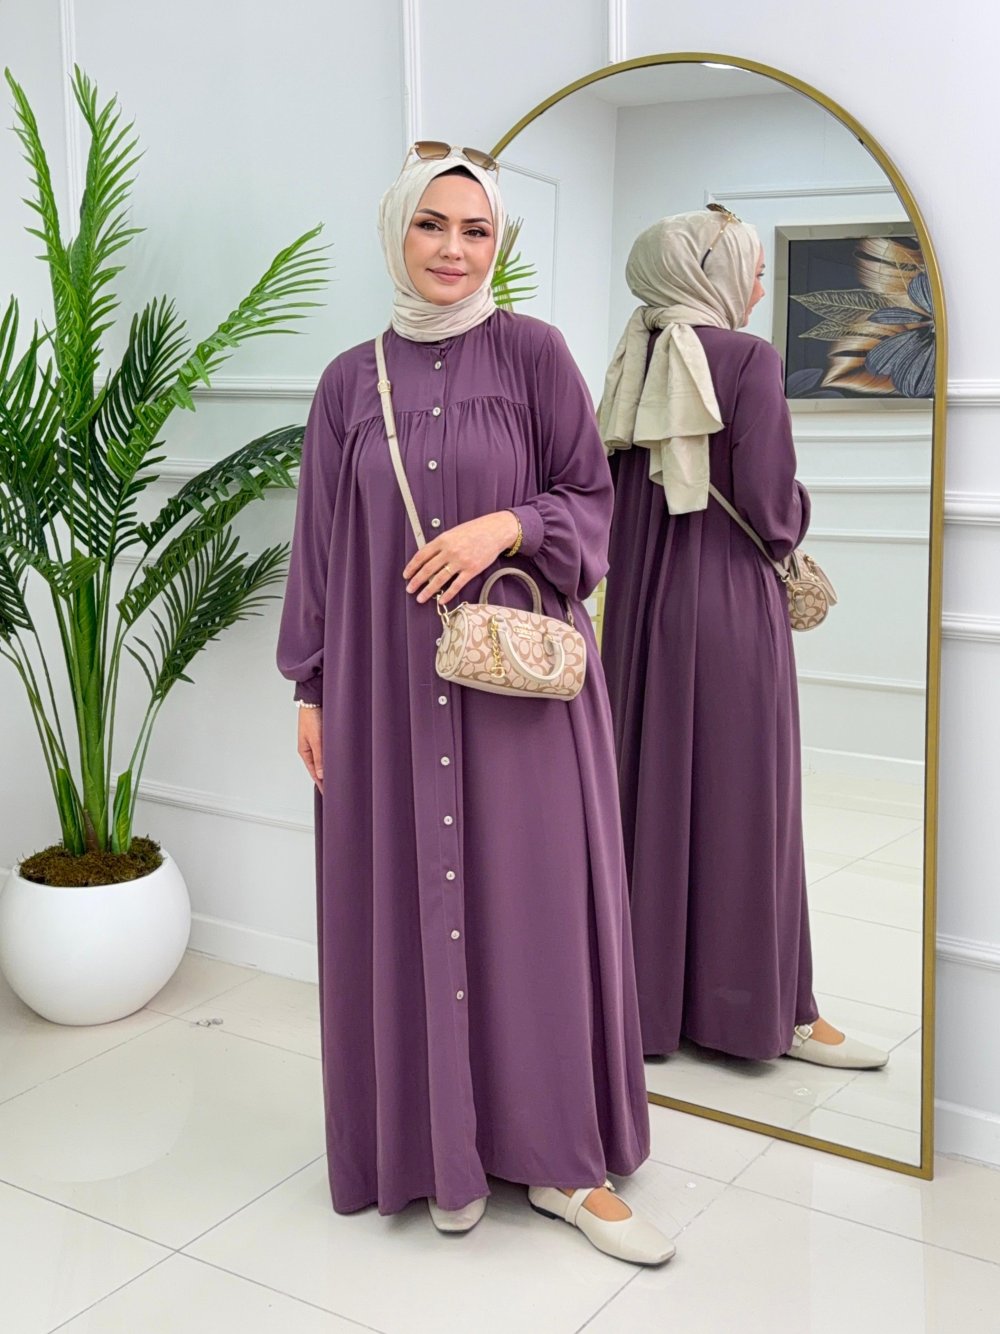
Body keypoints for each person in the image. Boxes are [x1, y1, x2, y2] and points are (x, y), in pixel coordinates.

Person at [276, 143, 672, 1266]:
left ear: (497, 242)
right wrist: (311, 687)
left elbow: (593, 500)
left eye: (476, 230)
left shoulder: (534, 353)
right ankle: (431, 1152)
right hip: (382, 692)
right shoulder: (349, 382)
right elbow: (318, 545)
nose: (453, 249)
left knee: (534, 906)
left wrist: (507, 525)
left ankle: (564, 1161)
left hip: (521, 696)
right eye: (431, 225)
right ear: (397, 231)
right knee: (404, 901)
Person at [598, 207, 888, 1071]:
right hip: (725, 606)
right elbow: (770, 508)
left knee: (647, 796)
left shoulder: (631, 355)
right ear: (710, 275)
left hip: (637, 609)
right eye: (752, 271)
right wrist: (798, 514)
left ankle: (646, 1009)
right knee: (746, 805)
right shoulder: (748, 359)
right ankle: (767, 1014)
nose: (759, 289)